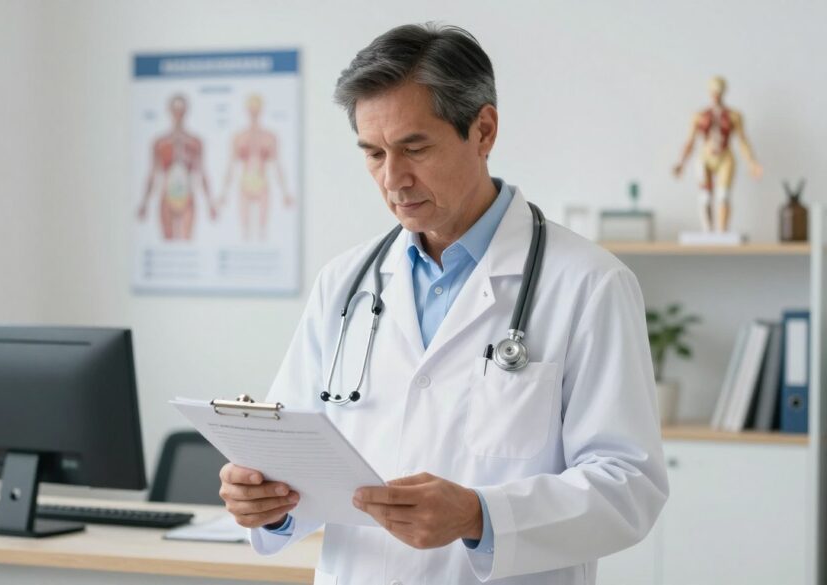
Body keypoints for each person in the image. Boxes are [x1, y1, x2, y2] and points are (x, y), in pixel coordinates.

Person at [219, 23, 668, 584]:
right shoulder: (345, 284)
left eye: (414, 148)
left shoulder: (588, 284)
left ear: (483, 131)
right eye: (373, 153)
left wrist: (480, 515)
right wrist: (264, 500)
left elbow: (628, 486)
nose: (393, 179)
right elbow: (292, 455)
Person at [672, 76, 763, 233]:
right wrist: (681, 162)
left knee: (723, 195)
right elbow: (690, 141)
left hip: (725, 156)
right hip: (705, 157)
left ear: (724, 92)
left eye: (719, 91)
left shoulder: (734, 116)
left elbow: (742, 140)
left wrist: (752, 162)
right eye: (713, 91)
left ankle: (722, 232)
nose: (716, 94)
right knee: (705, 196)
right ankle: (708, 232)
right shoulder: (700, 116)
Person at [136, 94, 218, 240]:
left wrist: (210, 203)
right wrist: (144, 203)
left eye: (181, 110)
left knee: (187, 240)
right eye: (175, 110)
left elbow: (202, 173)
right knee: (167, 240)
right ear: (170, 111)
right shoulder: (160, 143)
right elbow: (152, 174)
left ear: (186, 111)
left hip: (188, 198)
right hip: (166, 197)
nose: (178, 114)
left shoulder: (195, 142)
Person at [219, 93, 295, 241]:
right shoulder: (239, 137)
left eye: (256, 108)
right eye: (251, 109)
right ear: (247, 110)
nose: (253, 112)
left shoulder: (269, 137)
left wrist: (285, 193)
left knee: (262, 231)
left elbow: (277, 165)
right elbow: (231, 166)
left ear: (261, 110)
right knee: (244, 231)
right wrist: (224, 193)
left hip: (263, 184)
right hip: (244, 184)